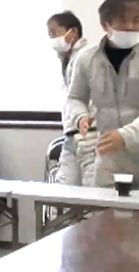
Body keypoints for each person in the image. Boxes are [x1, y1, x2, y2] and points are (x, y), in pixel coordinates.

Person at [67, 0, 139, 187]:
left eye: (136, 20)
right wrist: (80, 116)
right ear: (105, 25)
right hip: (109, 154)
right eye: (122, 20)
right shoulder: (87, 59)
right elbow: (75, 97)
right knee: (103, 205)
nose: (130, 27)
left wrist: (126, 136)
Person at [47, 11, 96, 187]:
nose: (53, 39)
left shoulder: (88, 57)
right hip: (71, 135)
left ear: (73, 32)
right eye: (50, 35)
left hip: (90, 133)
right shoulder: (70, 60)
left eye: (55, 33)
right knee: (63, 188)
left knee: (92, 190)